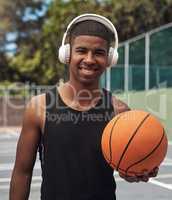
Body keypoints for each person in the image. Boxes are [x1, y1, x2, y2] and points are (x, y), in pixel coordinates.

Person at [10, 13, 158, 200]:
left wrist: (136, 170)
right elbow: (22, 172)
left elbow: (124, 169)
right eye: (81, 50)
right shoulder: (39, 107)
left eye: (99, 53)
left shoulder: (118, 110)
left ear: (110, 58)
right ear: (67, 54)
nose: (89, 59)